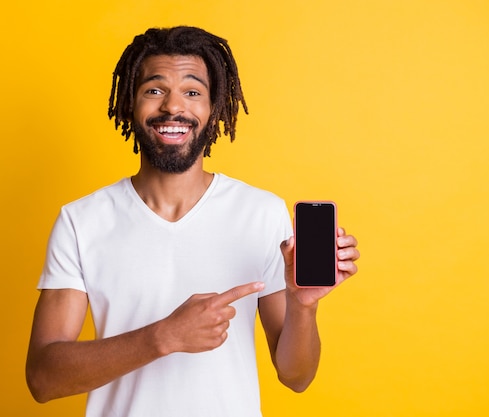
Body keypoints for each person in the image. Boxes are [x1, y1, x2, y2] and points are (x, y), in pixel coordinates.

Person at [26, 26, 360, 417]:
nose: (172, 107)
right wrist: (163, 337)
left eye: (192, 91)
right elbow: (42, 379)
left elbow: (296, 376)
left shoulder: (262, 213)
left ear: (212, 108)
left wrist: (303, 306)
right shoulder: (81, 221)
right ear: (130, 104)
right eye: (154, 90)